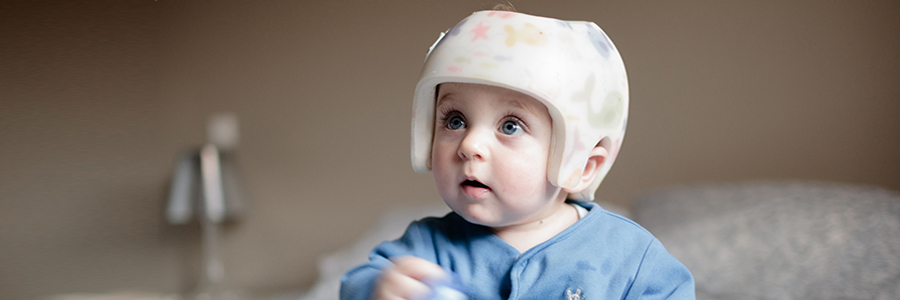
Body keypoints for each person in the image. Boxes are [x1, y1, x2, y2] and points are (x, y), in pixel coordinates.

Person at [341, 9, 695, 300]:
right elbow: (356, 284)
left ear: (583, 165)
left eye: (510, 126)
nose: (469, 145)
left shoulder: (630, 258)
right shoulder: (427, 246)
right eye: (455, 120)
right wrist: (378, 289)